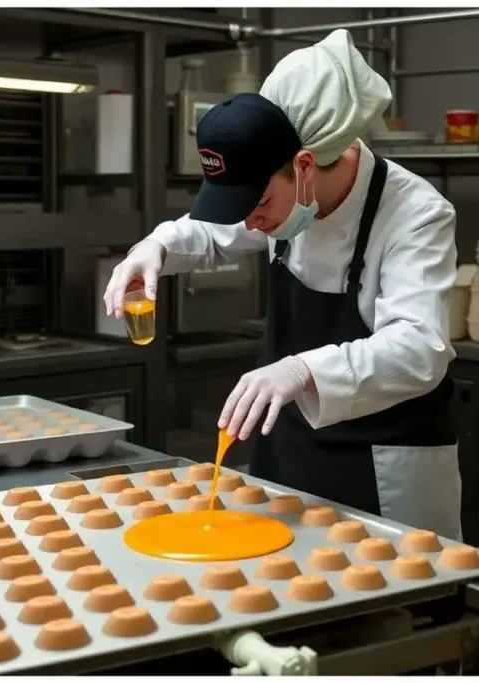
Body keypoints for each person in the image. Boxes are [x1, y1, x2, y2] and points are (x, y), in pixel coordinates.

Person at [102, 29, 462, 540]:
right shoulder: (286, 197)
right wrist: (155, 246)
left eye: (259, 206)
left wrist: (302, 370)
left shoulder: (415, 214)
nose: (249, 223)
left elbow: (419, 347)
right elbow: (211, 230)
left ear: (305, 166)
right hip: (289, 451)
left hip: (386, 468)